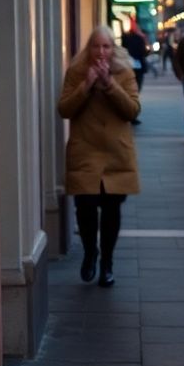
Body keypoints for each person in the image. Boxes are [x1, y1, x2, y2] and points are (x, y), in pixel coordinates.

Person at [57, 25, 141, 287]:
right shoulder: (76, 72)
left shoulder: (124, 73)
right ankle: (90, 252)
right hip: (86, 152)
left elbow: (133, 110)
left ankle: (107, 261)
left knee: (112, 210)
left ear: (112, 48)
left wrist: (110, 85)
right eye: (96, 46)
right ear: (89, 48)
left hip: (116, 154)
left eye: (106, 46)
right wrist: (87, 85)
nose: (101, 52)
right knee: (85, 208)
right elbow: (64, 109)